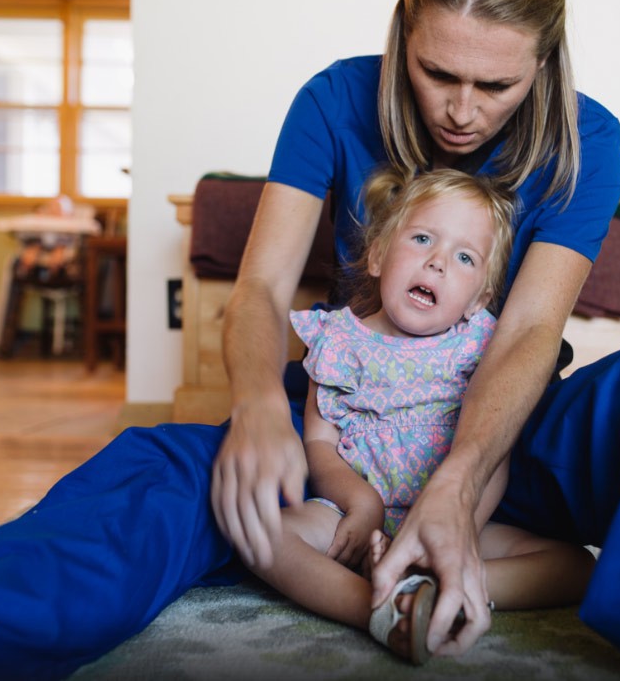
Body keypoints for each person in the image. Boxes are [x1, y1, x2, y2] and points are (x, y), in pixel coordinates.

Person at [0, 0, 620, 680]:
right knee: (159, 467)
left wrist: (459, 483)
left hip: (500, 430)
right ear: (402, 32)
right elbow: (263, 289)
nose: (460, 111)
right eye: (437, 73)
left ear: (543, 64)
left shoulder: (589, 137)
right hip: (346, 438)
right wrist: (257, 413)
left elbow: (530, 329)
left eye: (494, 85)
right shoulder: (330, 99)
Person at [252, 167, 595, 665]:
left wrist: (459, 531)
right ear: (377, 255)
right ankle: (374, 605)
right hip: (355, 518)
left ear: (478, 299)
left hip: (452, 518)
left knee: (576, 565)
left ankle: (443, 585)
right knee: (259, 532)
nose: (437, 263)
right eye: (421, 238)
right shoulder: (337, 342)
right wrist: (360, 503)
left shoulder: (480, 348)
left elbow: (492, 457)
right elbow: (319, 445)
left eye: (464, 257)